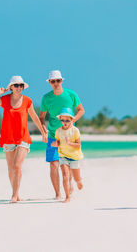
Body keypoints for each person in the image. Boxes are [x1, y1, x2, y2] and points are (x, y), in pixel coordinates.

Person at [0, 76, 48, 203]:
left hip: (23, 138)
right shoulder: (4, 99)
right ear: (11, 87)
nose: (19, 88)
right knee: (10, 169)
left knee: (16, 166)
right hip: (8, 138)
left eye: (21, 85)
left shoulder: (27, 101)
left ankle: (14, 195)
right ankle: (16, 193)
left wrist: (43, 132)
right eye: (16, 85)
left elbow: (35, 118)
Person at [39, 70, 85, 199]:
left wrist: (72, 120)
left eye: (58, 81)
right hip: (53, 135)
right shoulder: (46, 98)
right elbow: (41, 117)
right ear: (49, 82)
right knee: (54, 165)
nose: (55, 83)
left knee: (68, 165)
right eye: (53, 81)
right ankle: (58, 194)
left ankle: (69, 183)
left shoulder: (71, 94)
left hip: (69, 136)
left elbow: (81, 110)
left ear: (62, 81)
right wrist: (43, 130)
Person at [51, 108, 84, 203]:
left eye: (67, 120)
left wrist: (70, 143)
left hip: (74, 157)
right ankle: (67, 196)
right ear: (60, 119)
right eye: (62, 120)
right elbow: (58, 141)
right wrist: (55, 143)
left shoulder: (75, 131)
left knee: (76, 177)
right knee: (65, 175)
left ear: (72, 120)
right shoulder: (58, 131)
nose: (64, 122)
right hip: (63, 156)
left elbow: (78, 145)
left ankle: (78, 181)